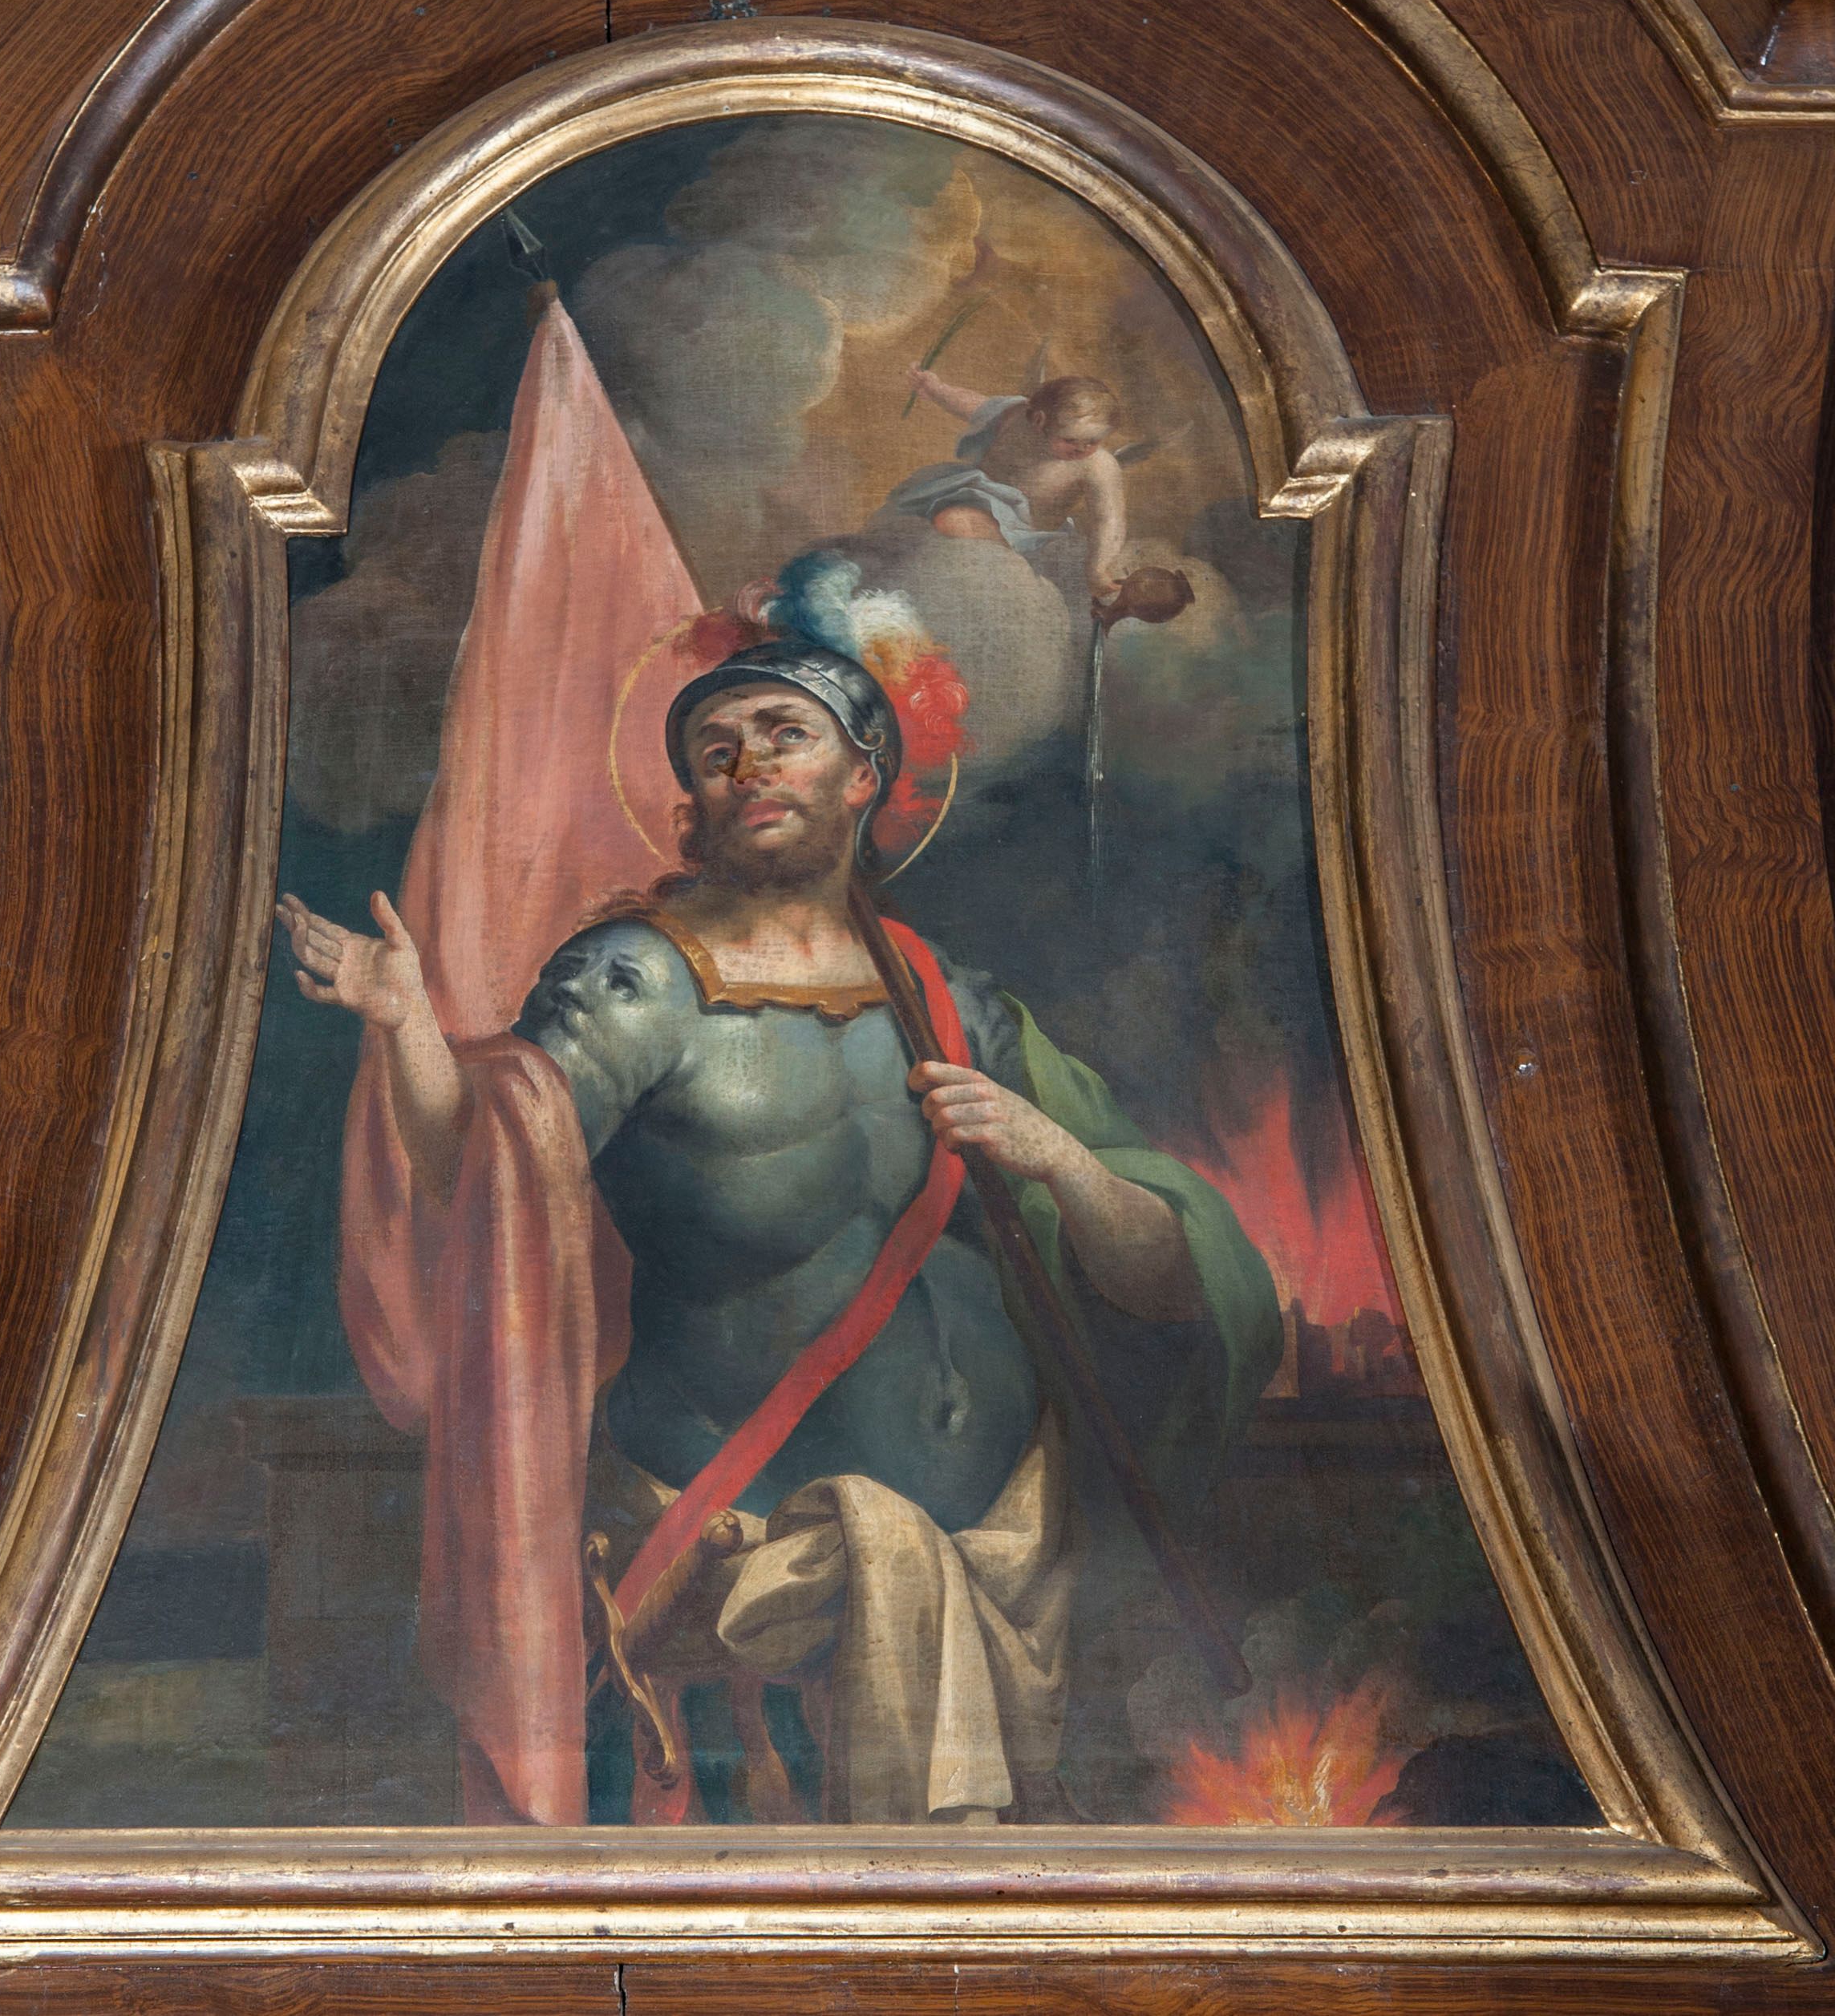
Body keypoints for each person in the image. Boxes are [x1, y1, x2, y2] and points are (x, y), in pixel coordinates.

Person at [277, 636, 1276, 1824]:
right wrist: (405, 1025)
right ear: (692, 801)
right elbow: (482, 1172)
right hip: (753, 1552)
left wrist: (1054, 1152)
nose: (745, 765)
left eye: (782, 735)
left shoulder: (949, 997)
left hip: (1007, 1544)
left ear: (861, 776)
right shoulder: (639, 982)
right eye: (715, 750)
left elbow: (1163, 1277)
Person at [890, 370, 1128, 601]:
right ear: (1039, 420)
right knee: (909, 527)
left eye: (1093, 441)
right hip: (973, 497)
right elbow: (974, 406)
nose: (1082, 449)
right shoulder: (1015, 417)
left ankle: (1001, 577)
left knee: (955, 524)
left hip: (1028, 535)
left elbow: (1109, 520)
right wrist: (935, 389)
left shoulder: (1098, 466)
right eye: (1070, 440)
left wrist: (1098, 568)